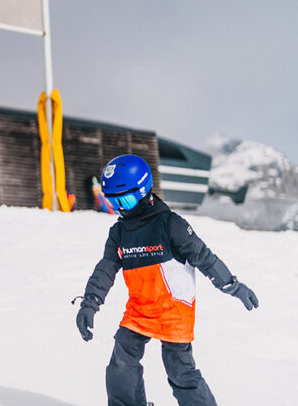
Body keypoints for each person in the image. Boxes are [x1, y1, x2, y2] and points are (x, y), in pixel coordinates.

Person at [75, 154, 259, 406]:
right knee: (122, 361)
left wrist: (233, 286)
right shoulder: (119, 232)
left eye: (126, 199)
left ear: (143, 190)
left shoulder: (170, 224)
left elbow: (204, 258)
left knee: (179, 370)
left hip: (173, 309)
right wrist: (89, 303)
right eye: (113, 200)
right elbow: (105, 269)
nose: (121, 207)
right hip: (140, 308)